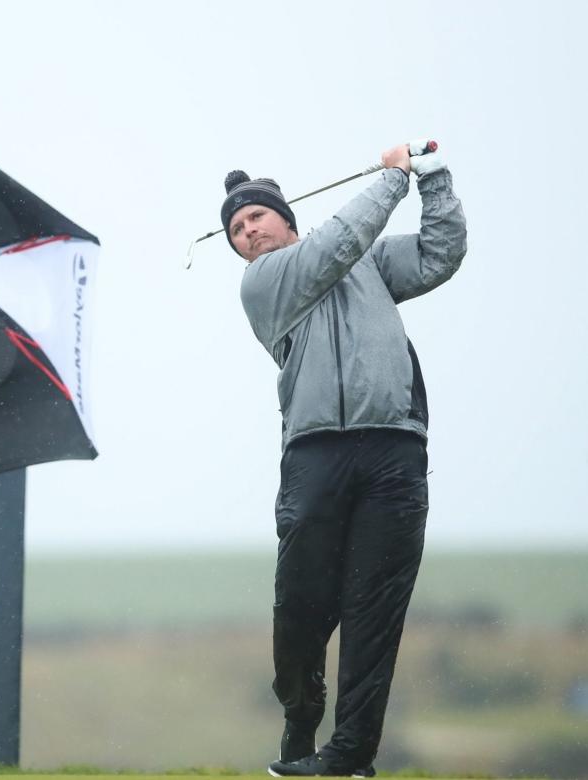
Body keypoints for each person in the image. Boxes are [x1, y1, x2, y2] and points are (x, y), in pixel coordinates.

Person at [222, 141, 467, 777]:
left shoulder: (364, 263)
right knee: (302, 605)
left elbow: (439, 255)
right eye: (237, 230)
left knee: (373, 612)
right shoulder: (265, 283)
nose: (248, 233)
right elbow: (336, 244)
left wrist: (433, 179)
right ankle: (301, 717)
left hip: (394, 450)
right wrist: (391, 179)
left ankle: (349, 755)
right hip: (315, 456)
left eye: (255, 218)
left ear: (283, 216)